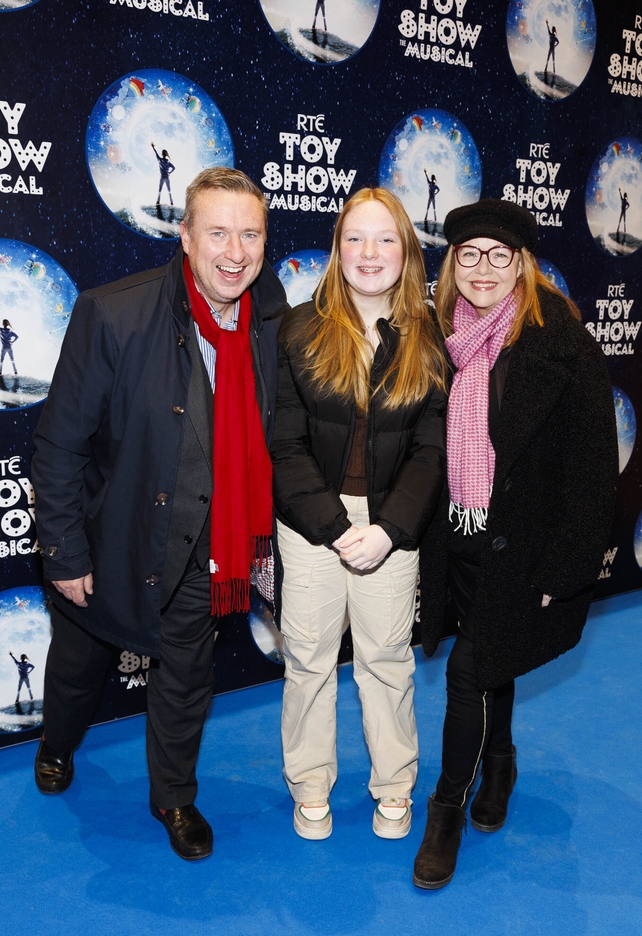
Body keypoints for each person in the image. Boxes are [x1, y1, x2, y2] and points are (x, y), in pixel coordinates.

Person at [31, 167, 288, 861]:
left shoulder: (271, 310)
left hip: (211, 545)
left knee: (186, 678)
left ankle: (174, 798)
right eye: (217, 233)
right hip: (115, 539)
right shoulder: (114, 313)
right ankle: (56, 742)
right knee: (80, 669)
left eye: (250, 234)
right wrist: (64, 553)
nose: (234, 252)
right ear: (184, 236)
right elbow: (57, 443)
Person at [413, 199, 618, 889]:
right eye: (468, 254)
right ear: (451, 264)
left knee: (466, 673)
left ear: (522, 264)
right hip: (457, 541)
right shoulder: (440, 338)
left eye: (499, 255)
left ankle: (445, 810)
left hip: (522, 549)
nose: (482, 269)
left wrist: (567, 566)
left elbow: (592, 467)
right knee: (487, 659)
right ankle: (497, 759)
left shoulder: (563, 344)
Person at [270, 188, 447, 841]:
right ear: (337, 248)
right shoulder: (299, 328)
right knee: (310, 658)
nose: (368, 253)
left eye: (385, 240)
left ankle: (394, 786)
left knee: (386, 658)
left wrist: (390, 531)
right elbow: (284, 448)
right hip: (314, 522)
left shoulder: (429, 338)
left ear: (406, 252)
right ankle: (310, 783)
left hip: (390, 527)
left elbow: (431, 450)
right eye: (355, 238)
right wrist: (338, 529)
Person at [151, 142, 176, 206]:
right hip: (167, 177)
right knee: (169, 190)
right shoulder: (168, 162)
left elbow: (156, 154)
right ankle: (171, 202)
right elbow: (174, 168)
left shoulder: (160, 160)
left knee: (160, 190)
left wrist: (153, 147)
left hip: (162, 177)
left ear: (162, 154)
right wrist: (170, 172)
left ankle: (158, 201)